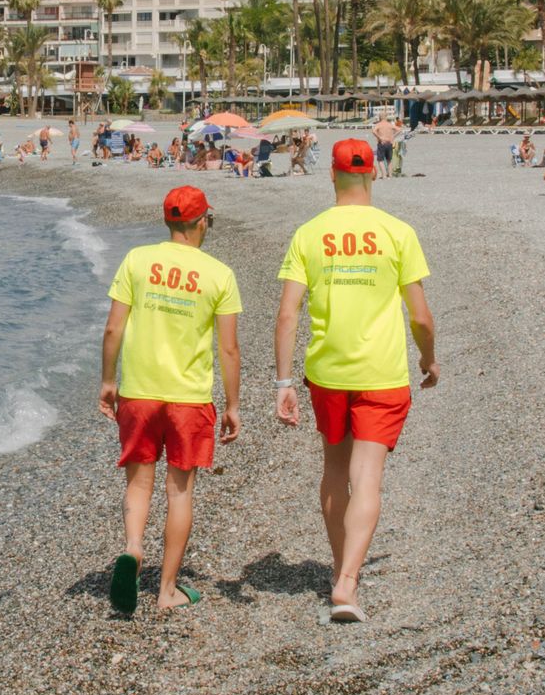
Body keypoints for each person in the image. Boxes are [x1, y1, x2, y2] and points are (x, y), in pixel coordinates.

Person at [273, 138, 438, 624]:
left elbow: (287, 315)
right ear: (372, 175)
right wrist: (429, 361)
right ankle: (347, 582)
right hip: (382, 372)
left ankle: (340, 568)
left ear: (332, 174)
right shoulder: (397, 232)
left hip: (327, 371)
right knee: (368, 478)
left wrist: (283, 383)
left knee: (334, 471)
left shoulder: (309, 233)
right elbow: (421, 316)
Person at [100, 185, 242, 614]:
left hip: (139, 392)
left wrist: (109, 381)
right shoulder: (219, 274)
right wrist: (233, 405)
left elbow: (113, 329)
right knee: (179, 492)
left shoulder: (137, 260)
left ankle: (134, 546)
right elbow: (229, 349)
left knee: (139, 482)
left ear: (168, 221)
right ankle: (166, 590)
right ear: (202, 223)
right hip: (188, 398)